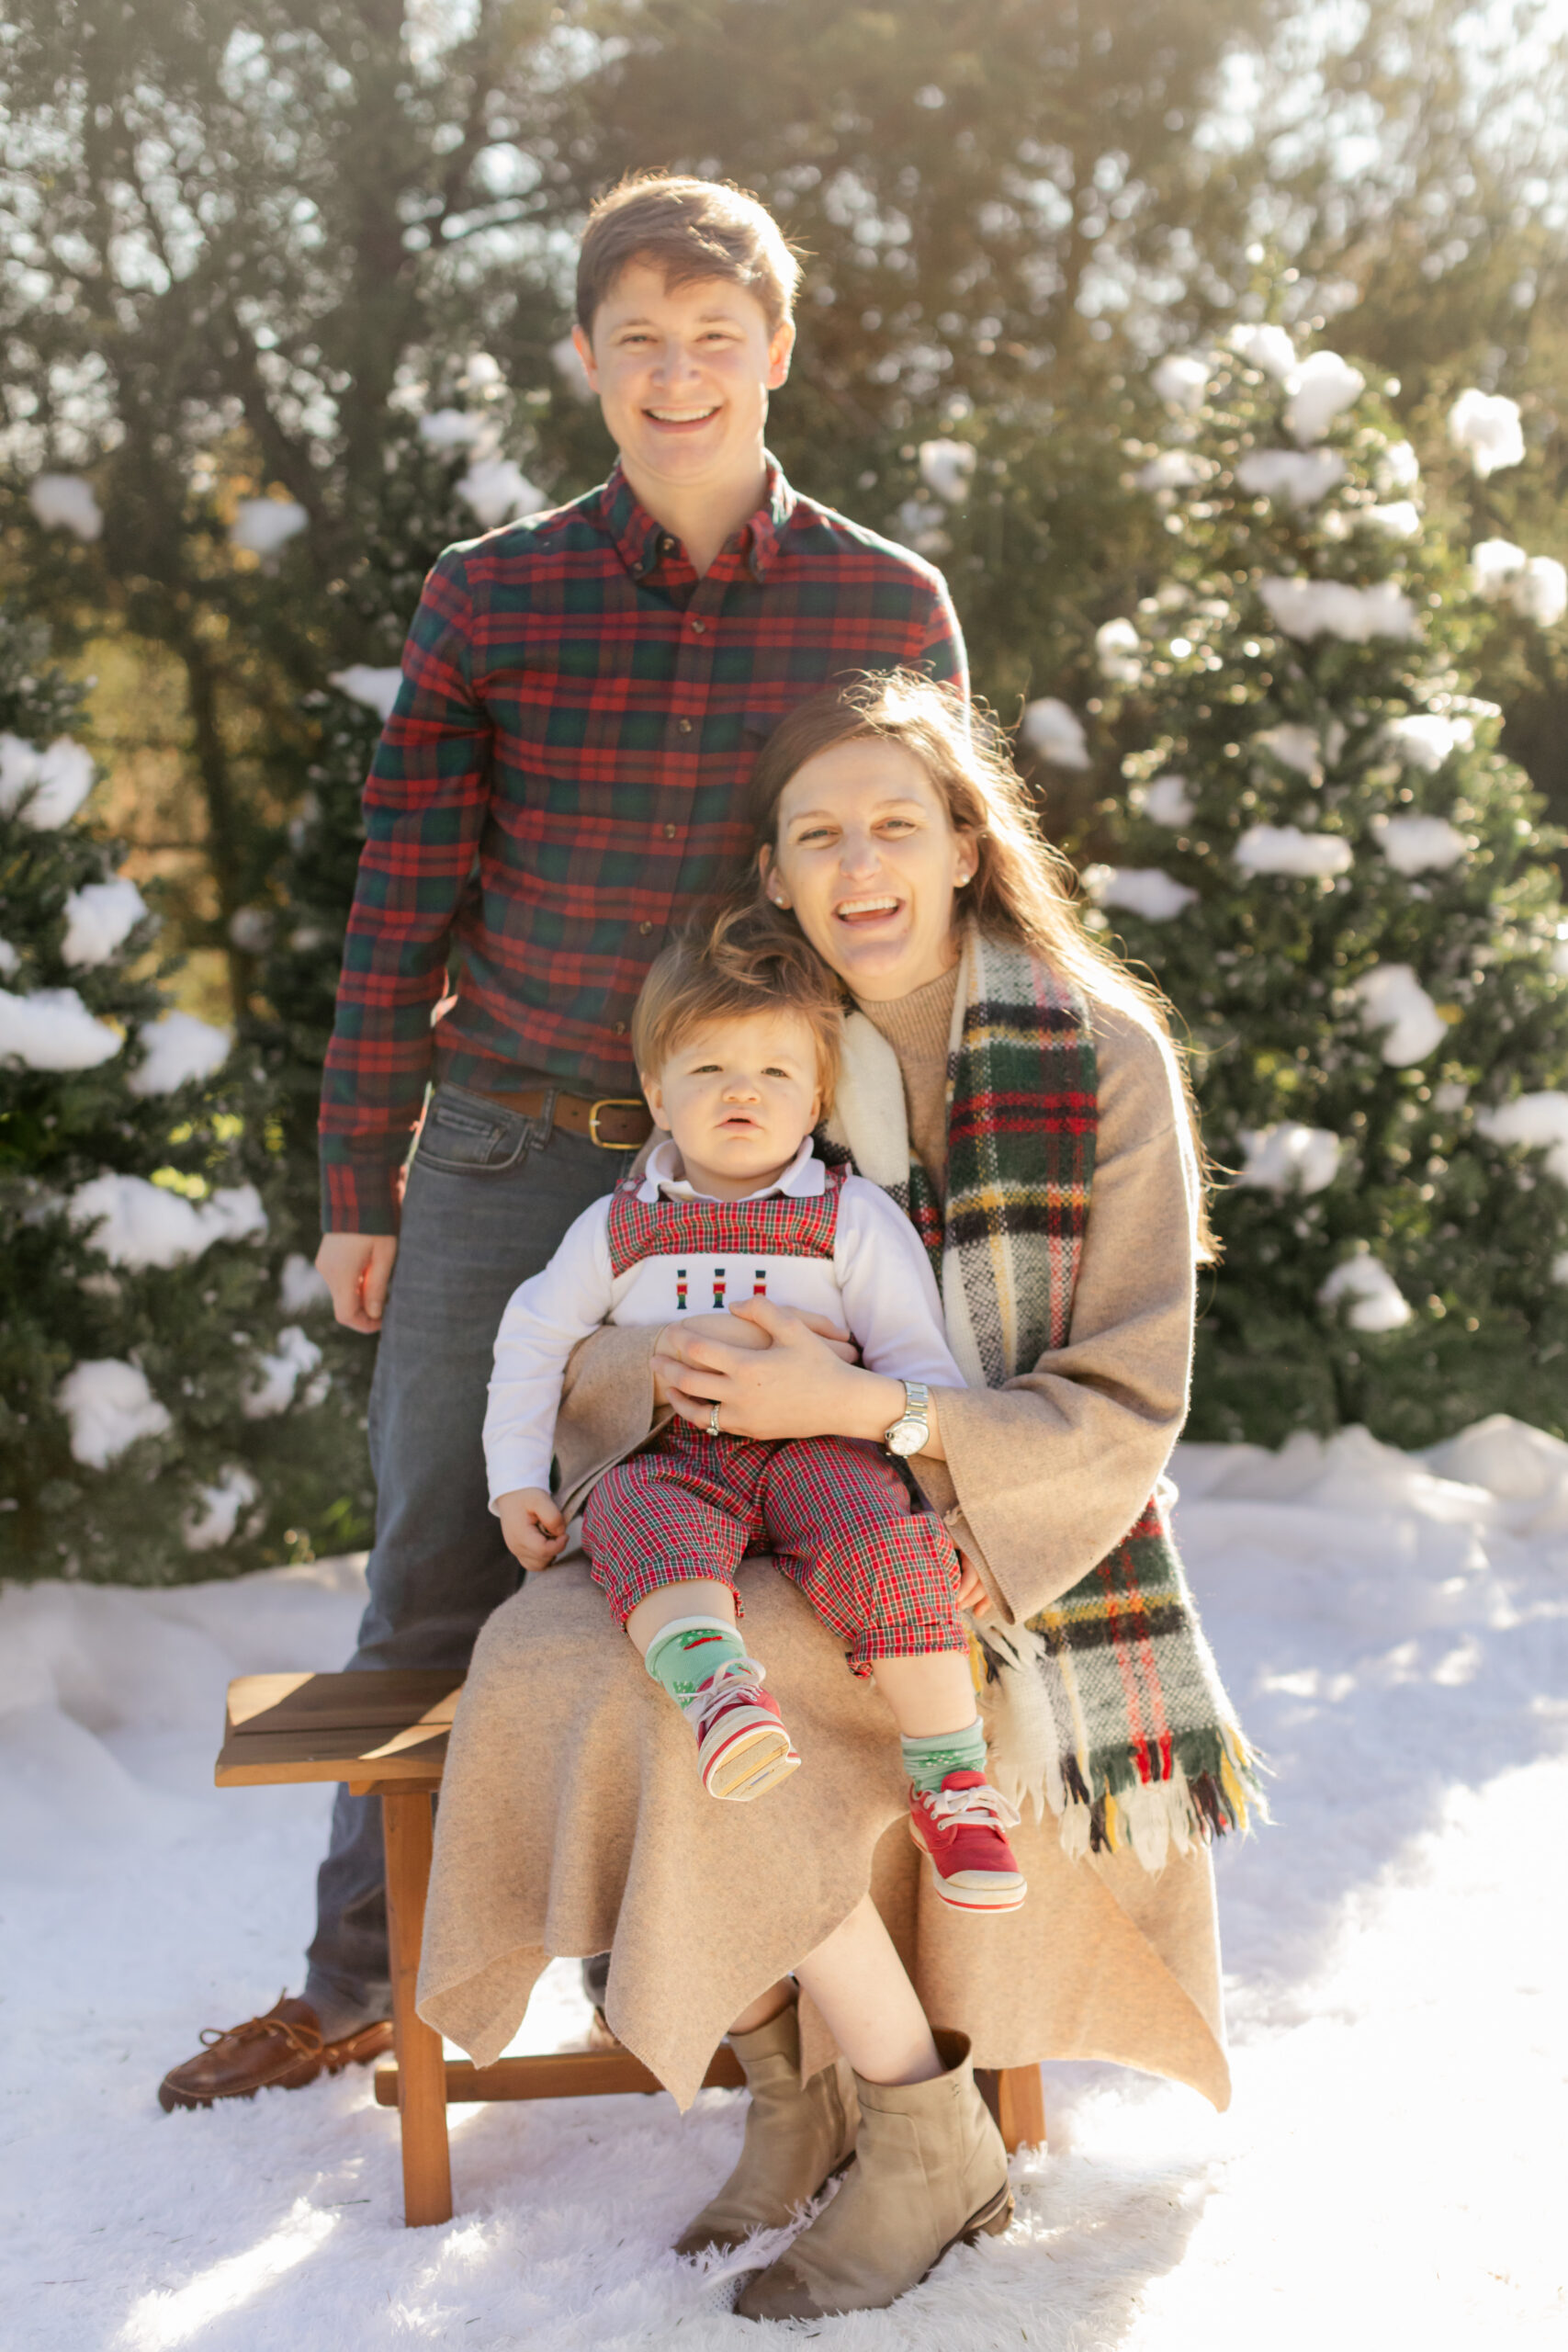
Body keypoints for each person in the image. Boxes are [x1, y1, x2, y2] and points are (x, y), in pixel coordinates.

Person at [156, 173, 965, 2116]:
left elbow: (927, 902)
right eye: (638, 341)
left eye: (716, 338)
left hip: (780, 1187)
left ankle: (743, 1983)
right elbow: (396, 902)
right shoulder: (491, 594)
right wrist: (365, 1183)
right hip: (514, 1156)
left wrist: (942, 1174)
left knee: (773, 1559)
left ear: (775, 350)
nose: (678, 376)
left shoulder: (885, 604)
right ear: (586, 362)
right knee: (441, 1559)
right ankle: (362, 1983)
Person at [414, 670, 1262, 2319]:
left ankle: (920, 2129)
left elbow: (1129, 1393)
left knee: (699, 1701)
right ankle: (790, 2078)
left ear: (965, 840)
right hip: (726, 1489)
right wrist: (683, 1386)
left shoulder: (1099, 1055)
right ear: (778, 872)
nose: (858, 864)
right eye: (819, 836)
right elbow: (607, 1318)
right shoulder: (761, 1034)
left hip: (984, 1525)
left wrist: (864, 1406)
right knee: (563, 1657)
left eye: (896, 823)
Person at [484, 911, 1026, 1907]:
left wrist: (956, 1509)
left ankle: (953, 1779)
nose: (742, 1092)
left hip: (824, 1441)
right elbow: (533, 1341)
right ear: (657, 1093)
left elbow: (915, 1361)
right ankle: (720, 1694)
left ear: (817, 1096)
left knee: (889, 1548)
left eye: (776, 1073)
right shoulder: (617, 1226)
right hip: (671, 1453)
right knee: (638, 1523)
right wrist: (516, 1477)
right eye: (708, 1071)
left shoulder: (851, 1216)